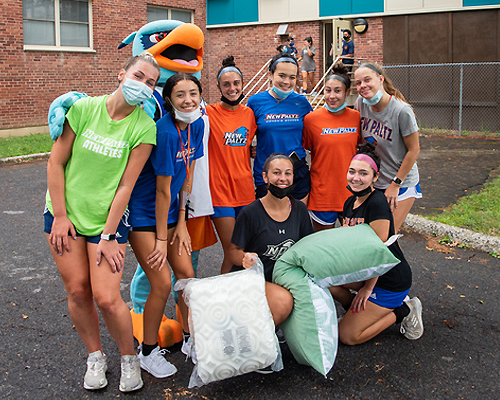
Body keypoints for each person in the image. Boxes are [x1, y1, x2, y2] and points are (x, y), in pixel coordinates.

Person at [44, 53, 160, 392]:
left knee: (108, 298)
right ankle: (95, 356)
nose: (144, 85)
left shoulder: (144, 127)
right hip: (64, 213)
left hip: (106, 221)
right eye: (139, 76)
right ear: (122, 74)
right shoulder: (82, 110)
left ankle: (129, 358)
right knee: (78, 290)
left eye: (151, 83)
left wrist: (109, 234)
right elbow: (55, 163)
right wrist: (61, 217)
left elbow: (126, 185)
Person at [127, 73, 205, 371]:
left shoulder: (196, 125)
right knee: (160, 283)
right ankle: (147, 353)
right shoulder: (166, 132)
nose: (188, 100)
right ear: (169, 100)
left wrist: (182, 220)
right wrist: (162, 238)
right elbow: (161, 189)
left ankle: (190, 338)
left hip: (172, 213)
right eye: (180, 95)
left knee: (187, 277)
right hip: (146, 215)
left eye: (193, 93)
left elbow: (188, 172)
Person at [329, 144, 423, 345]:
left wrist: (367, 288)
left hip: (389, 280)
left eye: (364, 173)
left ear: (375, 177)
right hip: (367, 273)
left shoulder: (377, 203)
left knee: (347, 336)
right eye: (352, 171)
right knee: (325, 280)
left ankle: (403, 310)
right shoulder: (350, 202)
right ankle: (356, 314)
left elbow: (379, 251)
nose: (356, 178)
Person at [230, 154, 314, 326]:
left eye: (288, 173)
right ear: (265, 177)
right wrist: (243, 258)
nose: (282, 178)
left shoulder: (300, 210)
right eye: (276, 173)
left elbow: (308, 248)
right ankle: (256, 339)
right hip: (255, 280)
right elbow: (233, 253)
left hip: (285, 280)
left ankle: (277, 326)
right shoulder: (250, 212)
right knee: (284, 301)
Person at [354, 62, 421, 232]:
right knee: (370, 235)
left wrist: (395, 184)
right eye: (358, 82)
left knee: (386, 237)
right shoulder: (361, 103)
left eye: (367, 80)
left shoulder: (401, 110)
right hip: (375, 182)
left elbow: (414, 150)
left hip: (400, 182)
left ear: (380, 79)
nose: (363, 86)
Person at [207, 56, 257, 274]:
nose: (232, 88)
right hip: (220, 194)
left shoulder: (249, 115)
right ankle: (221, 297)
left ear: (242, 84)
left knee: (245, 249)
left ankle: (239, 295)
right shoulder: (208, 113)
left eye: (236, 83)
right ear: (219, 86)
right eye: (226, 84)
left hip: (246, 191)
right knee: (232, 250)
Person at [247, 53, 313, 202]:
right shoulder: (255, 102)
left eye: (292, 77)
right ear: (270, 75)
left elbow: (314, 135)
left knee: (297, 221)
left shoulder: (302, 103)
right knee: (268, 223)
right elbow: (245, 135)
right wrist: (250, 149)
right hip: (267, 173)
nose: (287, 82)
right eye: (282, 75)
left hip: (296, 171)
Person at [303, 63, 361, 231]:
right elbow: (304, 148)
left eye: (337, 91)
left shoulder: (357, 118)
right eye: (328, 90)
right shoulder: (311, 120)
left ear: (347, 93)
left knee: (350, 248)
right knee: (323, 249)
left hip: (351, 193)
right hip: (322, 194)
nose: (332, 96)